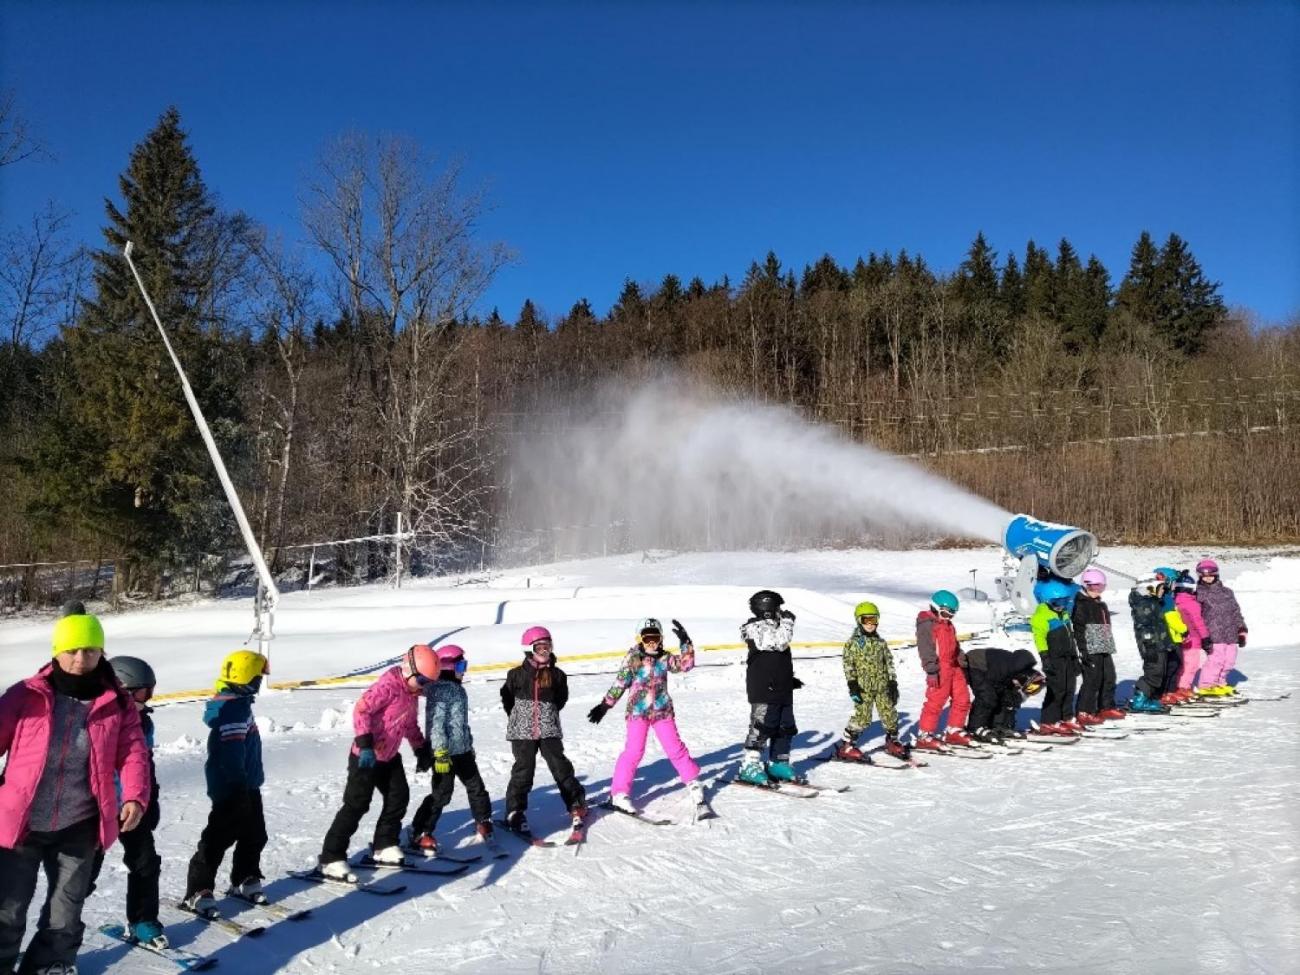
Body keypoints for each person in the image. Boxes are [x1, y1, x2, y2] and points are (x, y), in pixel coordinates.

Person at [0, 610, 150, 975]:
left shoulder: (117, 702)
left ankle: (49, 965)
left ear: (102, 652)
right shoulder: (26, 695)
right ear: (56, 652)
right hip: (22, 824)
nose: (81, 660)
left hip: (80, 824)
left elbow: (133, 752)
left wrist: (134, 795)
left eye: (90, 650)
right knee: (8, 909)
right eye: (72, 650)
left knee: (65, 913)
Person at [318, 646, 436, 881]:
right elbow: (361, 710)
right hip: (366, 756)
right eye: (422, 680)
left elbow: (410, 724)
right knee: (357, 804)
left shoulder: (411, 694)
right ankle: (331, 857)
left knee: (398, 797)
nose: (423, 687)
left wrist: (421, 748)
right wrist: (365, 744)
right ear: (408, 669)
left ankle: (384, 844)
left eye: (428, 683)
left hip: (389, 757)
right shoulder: (388, 686)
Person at [182, 649, 271, 911]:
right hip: (232, 787)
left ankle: (244, 876)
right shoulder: (231, 710)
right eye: (258, 677)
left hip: (247, 784)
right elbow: (231, 756)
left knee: (255, 834)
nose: (260, 682)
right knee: (218, 838)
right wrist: (237, 788)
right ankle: (198, 890)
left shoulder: (240, 704)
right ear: (247, 678)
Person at [588, 618, 702, 812]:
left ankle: (693, 782)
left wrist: (685, 642)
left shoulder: (665, 658)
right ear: (640, 638)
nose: (652, 642)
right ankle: (619, 794)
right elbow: (621, 682)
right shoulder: (633, 658)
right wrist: (605, 705)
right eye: (647, 638)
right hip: (638, 713)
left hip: (662, 711)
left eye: (655, 637)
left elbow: (686, 665)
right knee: (633, 752)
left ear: (661, 639)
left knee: (675, 748)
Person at [102, 655, 167, 948]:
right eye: (143, 692)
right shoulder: (102, 722)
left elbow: (145, 766)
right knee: (78, 877)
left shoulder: (144, 722)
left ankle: (142, 920)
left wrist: (148, 800)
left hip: (132, 809)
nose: (148, 698)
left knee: (145, 864)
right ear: (123, 690)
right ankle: (56, 938)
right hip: (99, 810)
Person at [501, 627, 587, 836]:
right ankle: (515, 811)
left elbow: (561, 699)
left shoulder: (557, 675)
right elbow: (507, 698)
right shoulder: (516, 675)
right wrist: (521, 716)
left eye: (547, 647)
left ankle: (575, 803)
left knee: (560, 766)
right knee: (523, 770)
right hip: (522, 731)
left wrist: (547, 712)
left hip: (548, 728)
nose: (545, 651)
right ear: (529, 649)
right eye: (539, 647)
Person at [408, 645, 493, 854]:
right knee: (441, 794)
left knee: (476, 787)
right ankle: (420, 831)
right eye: (461, 665)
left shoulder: (458, 689)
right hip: (443, 754)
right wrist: (439, 753)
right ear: (447, 666)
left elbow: (461, 723)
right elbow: (436, 725)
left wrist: (469, 744)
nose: (464, 670)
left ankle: (483, 819)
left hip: (462, 750)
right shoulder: (439, 691)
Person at [737, 590, 804, 784]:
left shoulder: (776, 627)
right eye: (777, 608)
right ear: (767, 609)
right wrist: (788, 623)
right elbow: (779, 643)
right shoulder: (754, 628)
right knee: (762, 725)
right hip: (764, 688)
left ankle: (778, 762)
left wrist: (788, 679)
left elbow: (778, 658)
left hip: (781, 687)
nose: (780, 612)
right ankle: (750, 765)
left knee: (785, 726)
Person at [835, 601, 909, 761]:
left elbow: (888, 663)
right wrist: (852, 685)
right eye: (866, 620)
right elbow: (848, 665)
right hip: (863, 688)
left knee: (889, 713)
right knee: (863, 717)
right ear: (859, 621)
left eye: (873, 620)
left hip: (882, 686)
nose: (870, 624)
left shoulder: (880, 643)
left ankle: (892, 741)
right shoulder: (853, 643)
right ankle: (846, 745)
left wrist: (892, 683)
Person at [913, 590, 971, 751]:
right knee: (936, 701)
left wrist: (961, 659)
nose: (948, 618)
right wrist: (931, 670)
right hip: (940, 668)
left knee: (963, 698)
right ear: (936, 607)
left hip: (954, 666)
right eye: (945, 613)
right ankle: (924, 736)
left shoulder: (948, 625)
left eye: (951, 615)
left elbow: (954, 645)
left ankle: (954, 730)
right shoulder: (927, 625)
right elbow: (925, 649)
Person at [1031, 580, 1085, 734]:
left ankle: (1066, 717)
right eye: (1057, 602)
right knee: (1057, 689)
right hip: (1054, 658)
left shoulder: (1064, 613)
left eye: (1063, 601)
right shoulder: (1041, 617)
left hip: (1068, 656)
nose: (1061, 605)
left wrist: (1075, 656)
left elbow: (1070, 635)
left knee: (1070, 688)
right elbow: (1039, 639)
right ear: (1048, 601)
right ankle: (1049, 721)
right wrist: (1045, 658)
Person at [1071, 569, 1125, 722]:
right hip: (1090, 644)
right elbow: (1079, 630)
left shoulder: (1100, 604)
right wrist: (1083, 650)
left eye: (1100, 587)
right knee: (1092, 678)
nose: (1097, 591)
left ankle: (1105, 707)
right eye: (1093, 587)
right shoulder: (1081, 604)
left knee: (1109, 676)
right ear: (1086, 585)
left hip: (1103, 642)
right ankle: (1084, 710)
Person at [963, 644, 1043, 740]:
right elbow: (990, 691)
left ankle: (1000, 726)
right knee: (987, 697)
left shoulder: (1017, 672)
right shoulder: (1006, 671)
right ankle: (975, 728)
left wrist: (1007, 723)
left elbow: (1008, 699)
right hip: (977, 664)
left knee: (1008, 697)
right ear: (1023, 679)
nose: (1021, 689)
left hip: (993, 669)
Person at [1194, 558, 1248, 695]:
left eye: (1210, 575)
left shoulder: (1227, 592)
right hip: (1213, 634)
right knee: (1215, 661)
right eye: (1204, 576)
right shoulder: (1198, 593)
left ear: (1216, 574)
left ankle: (1220, 683)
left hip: (1231, 634)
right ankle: (1207, 686)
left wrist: (1241, 630)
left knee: (1229, 661)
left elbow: (1236, 611)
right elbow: (1195, 615)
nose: (1207, 578)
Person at [1128, 576, 1174, 713]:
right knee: (1153, 672)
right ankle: (1139, 699)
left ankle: (1149, 697)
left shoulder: (1153, 603)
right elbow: (1144, 627)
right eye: (1161, 588)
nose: (1163, 591)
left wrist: (1167, 643)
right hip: (1151, 645)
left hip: (1159, 643)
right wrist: (1149, 645)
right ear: (1150, 589)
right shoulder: (1144, 604)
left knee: (1159, 671)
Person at [1172, 571, 1209, 699]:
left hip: (1180, 639)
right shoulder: (1192, 604)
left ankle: (1177, 685)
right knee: (1191, 665)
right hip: (1193, 640)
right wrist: (1205, 637)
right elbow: (1198, 622)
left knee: (1183, 664)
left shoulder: (1173, 601)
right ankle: (1183, 687)